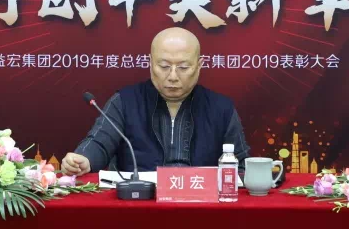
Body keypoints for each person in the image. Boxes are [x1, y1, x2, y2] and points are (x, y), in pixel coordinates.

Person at [62, 28, 251, 175]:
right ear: (150, 62)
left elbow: (241, 166)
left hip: (202, 204)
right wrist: (83, 159)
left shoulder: (221, 108)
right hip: (138, 203)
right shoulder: (125, 102)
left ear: (199, 65)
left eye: (183, 67)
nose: (173, 76)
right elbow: (99, 142)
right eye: (164, 66)